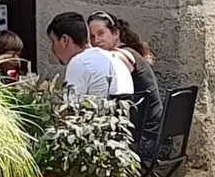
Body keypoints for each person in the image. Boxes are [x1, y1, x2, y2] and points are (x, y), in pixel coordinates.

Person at [90, 11, 163, 161]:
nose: (96, 40)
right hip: (158, 139)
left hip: (147, 142)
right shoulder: (130, 53)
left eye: (101, 33)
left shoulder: (121, 56)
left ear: (115, 33)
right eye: (92, 36)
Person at [48, 12, 118, 98]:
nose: (52, 49)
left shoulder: (79, 62)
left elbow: (69, 107)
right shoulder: (105, 56)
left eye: (53, 42)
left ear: (64, 40)